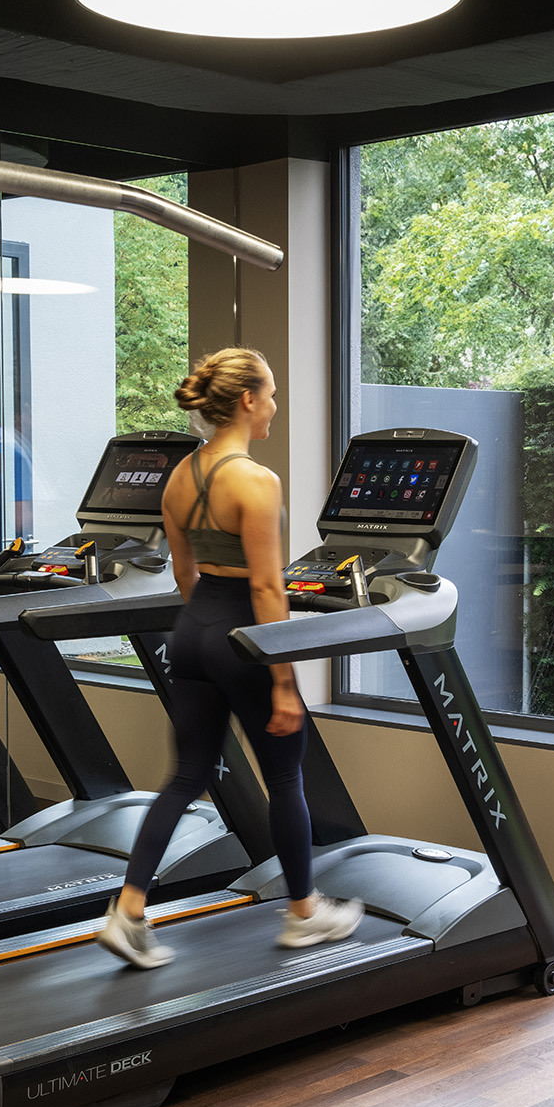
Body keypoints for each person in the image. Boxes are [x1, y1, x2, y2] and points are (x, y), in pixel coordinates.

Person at [94, 348, 360, 970]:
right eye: (269, 395)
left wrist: (205, 629)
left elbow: (184, 572)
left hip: (193, 630)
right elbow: (268, 590)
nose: (273, 406)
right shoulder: (256, 482)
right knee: (286, 776)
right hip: (244, 636)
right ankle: (303, 914)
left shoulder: (181, 475)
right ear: (246, 401)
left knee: (187, 776)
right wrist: (284, 683)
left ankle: (128, 910)